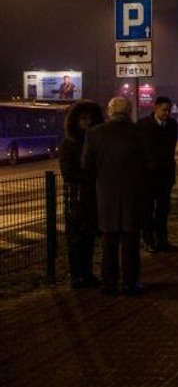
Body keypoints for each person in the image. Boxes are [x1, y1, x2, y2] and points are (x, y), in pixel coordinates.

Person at [81, 96, 150, 295]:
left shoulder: (94, 133)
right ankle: (130, 282)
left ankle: (109, 283)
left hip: (107, 197)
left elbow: (86, 164)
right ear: (129, 112)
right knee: (131, 242)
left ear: (109, 112)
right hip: (133, 196)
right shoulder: (140, 132)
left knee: (109, 243)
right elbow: (151, 162)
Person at [59, 100, 104, 288]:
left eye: (90, 118)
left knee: (89, 237)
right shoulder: (69, 144)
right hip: (76, 198)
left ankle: (86, 273)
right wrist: (91, 175)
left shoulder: (94, 141)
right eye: (83, 118)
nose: (88, 122)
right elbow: (69, 173)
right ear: (75, 121)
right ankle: (76, 275)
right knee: (76, 238)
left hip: (92, 197)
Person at [138, 96, 178, 252]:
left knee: (163, 210)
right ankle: (148, 240)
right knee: (147, 210)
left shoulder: (172, 125)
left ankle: (163, 240)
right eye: (164, 110)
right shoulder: (143, 125)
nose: (167, 113)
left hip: (165, 175)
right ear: (155, 108)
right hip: (148, 176)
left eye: (168, 110)